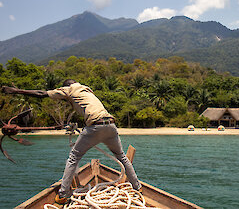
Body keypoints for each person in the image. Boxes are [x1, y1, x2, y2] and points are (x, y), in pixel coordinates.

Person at [2, 79, 141, 204]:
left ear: (66, 86)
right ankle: (137, 188)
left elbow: (41, 93)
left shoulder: (69, 89)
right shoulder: (86, 89)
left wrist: (15, 91)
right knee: (122, 156)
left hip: (95, 126)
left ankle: (62, 195)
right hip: (110, 125)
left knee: (73, 158)